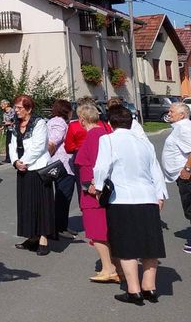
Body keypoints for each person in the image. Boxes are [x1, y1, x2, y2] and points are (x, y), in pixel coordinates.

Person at [91, 105, 168, 305]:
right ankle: (149, 287)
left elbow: (101, 167)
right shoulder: (145, 143)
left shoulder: (107, 139)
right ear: (131, 121)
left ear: (110, 123)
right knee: (150, 243)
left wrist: (98, 188)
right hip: (148, 197)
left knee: (127, 245)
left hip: (123, 198)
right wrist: (160, 195)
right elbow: (155, 170)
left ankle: (134, 290)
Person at [72, 101, 116, 282]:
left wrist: (93, 185)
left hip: (93, 192)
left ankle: (108, 268)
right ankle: (113, 266)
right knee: (103, 231)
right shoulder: (104, 133)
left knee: (97, 231)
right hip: (97, 190)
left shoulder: (94, 136)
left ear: (82, 120)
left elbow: (99, 164)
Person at [9, 95, 55, 255]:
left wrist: (25, 161)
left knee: (41, 204)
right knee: (26, 204)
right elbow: (12, 144)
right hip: (22, 169)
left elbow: (39, 146)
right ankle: (31, 236)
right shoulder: (16, 124)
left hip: (38, 169)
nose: (16, 111)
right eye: (15, 107)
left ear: (28, 108)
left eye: (19, 108)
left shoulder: (39, 123)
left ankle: (43, 238)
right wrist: (15, 162)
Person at [160, 102, 191, 255]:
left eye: (172, 111)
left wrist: (187, 169)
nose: (169, 113)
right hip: (183, 175)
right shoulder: (180, 128)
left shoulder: (184, 128)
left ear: (182, 115)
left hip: (187, 175)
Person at [47, 99, 76, 238]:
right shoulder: (60, 123)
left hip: (55, 162)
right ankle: (59, 227)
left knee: (60, 195)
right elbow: (52, 141)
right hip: (62, 164)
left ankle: (61, 224)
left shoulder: (52, 121)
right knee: (63, 195)